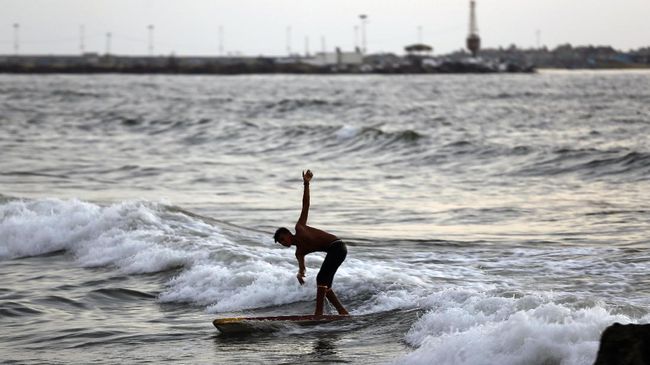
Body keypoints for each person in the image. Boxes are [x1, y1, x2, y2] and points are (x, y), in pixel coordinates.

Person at [274, 169, 349, 316]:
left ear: (289, 234)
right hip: (336, 252)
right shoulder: (299, 252)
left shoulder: (300, 228)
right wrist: (300, 274)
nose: (284, 243)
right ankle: (342, 312)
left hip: (338, 246)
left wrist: (306, 184)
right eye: (281, 242)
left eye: (283, 239)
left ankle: (318, 314)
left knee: (321, 279)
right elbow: (302, 269)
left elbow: (305, 205)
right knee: (325, 286)